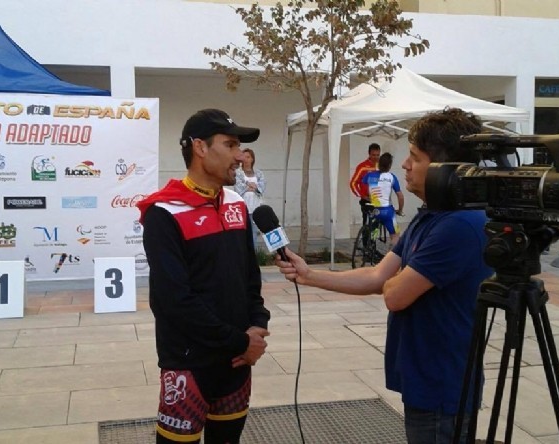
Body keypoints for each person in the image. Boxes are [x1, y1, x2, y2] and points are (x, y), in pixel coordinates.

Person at [275, 108, 493, 444]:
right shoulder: (431, 215)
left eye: (415, 157)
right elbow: (379, 275)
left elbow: (393, 294)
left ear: (444, 168)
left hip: (443, 385)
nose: (404, 165)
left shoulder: (460, 226)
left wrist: (400, 277)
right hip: (422, 377)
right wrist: (309, 275)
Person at [136, 109, 271, 444]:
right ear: (200, 147)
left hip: (237, 361)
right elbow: (172, 301)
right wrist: (241, 341)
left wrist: (258, 324)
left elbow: (250, 279)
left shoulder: (237, 204)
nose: (240, 157)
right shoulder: (164, 212)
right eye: (231, 145)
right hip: (188, 364)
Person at [362, 152, 405, 245]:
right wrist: (400, 210)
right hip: (387, 211)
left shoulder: (369, 175)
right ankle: (391, 255)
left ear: (379, 163)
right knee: (395, 235)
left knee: (372, 231)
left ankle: (370, 247)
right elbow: (400, 196)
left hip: (373, 209)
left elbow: (363, 186)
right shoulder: (392, 177)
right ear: (389, 165)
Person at [234, 148, 266, 247]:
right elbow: (238, 187)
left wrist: (251, 186)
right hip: (243, 206)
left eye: (248, 157)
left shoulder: (258, 173)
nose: (246, 159)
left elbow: (262, 186)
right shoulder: (238, 173)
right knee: (242, 231)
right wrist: (250, 186)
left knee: (253, 231)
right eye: (244, 157)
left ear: (252, 159)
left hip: (256, 206)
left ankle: (253, 253)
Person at [350, 142, 381, 226]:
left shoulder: (381, 166)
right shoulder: (362, 167)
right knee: (367, 223)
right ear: (369, 154)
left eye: (378, 155)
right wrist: (361, 195)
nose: (376, 157)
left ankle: (374, 238)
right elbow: (353, 183)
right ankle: (365, 239)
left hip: (378, 199)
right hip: (366, 200)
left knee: (376, 224)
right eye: (373, 155)